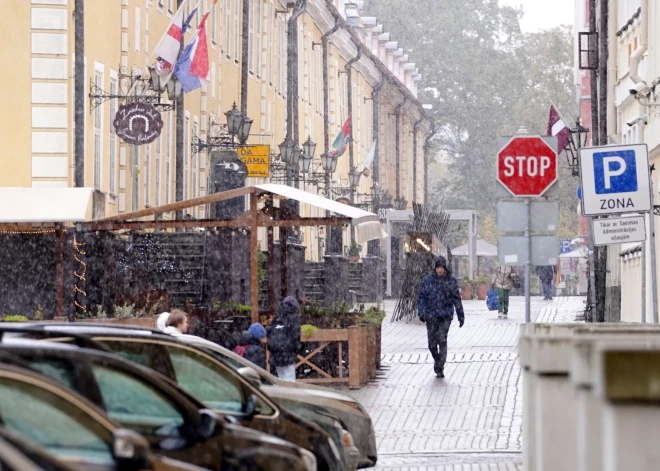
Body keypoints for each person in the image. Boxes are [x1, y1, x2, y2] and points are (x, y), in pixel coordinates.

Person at [417, 256, 465, 378]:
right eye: (438, 267)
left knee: (442, 339)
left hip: (445, 315)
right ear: (435, 268)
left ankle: (440, 366)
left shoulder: (451, 281)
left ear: (445, 268)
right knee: (432, 344)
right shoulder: (427, 281)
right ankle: (437, 359)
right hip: (431, 315)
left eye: (442, 267)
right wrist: (421, 312)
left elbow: (456, 298)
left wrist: (460, 315)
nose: (440, 270)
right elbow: (421, 297)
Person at [267, 296, 301, 382]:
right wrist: (296, 349)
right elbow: (295, 336)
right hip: (288, 354)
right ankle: (289, 395)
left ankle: (281, 394)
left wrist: (273, 348)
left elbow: (270, 333)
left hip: (276, 354)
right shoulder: (294, 319)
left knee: (280, 379)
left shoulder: (277, 318)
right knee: (290, 380)